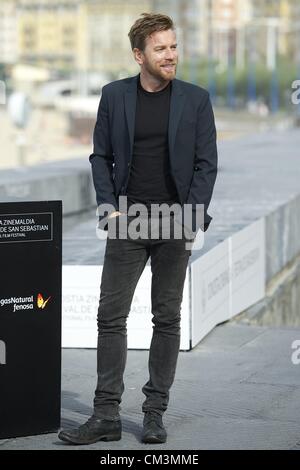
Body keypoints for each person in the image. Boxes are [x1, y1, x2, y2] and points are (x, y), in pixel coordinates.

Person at [58, 12, 217, 445]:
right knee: (111, 317)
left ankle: (154, 413)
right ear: (139, 55)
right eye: (161, 48)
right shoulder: (114, 96)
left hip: (174, 223)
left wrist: (193, 217)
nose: (171, 55)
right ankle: (106, 415)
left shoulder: (196, 99)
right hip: (126, 220)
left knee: (167, 319)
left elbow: (206, 164)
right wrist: (107, 208)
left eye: (174, 46)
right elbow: (100, 157)